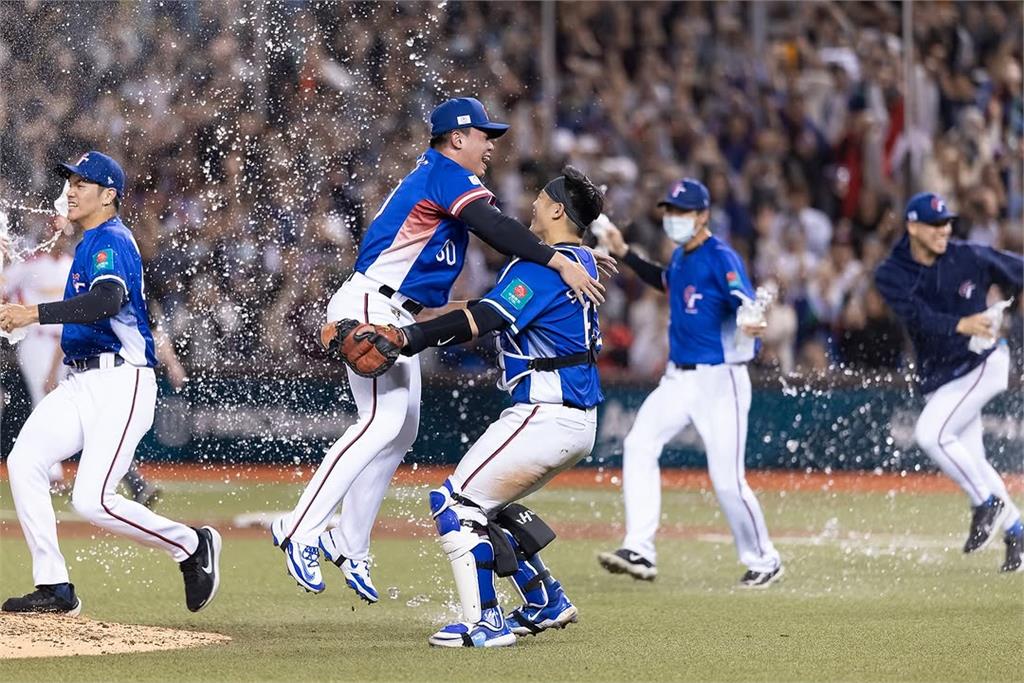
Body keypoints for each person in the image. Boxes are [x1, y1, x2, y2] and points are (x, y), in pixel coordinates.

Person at [270, 97, 610, 601]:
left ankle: (349, 542)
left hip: (398, 308)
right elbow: (497, 231)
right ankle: (299, 527)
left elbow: (460, 276)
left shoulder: (448, 180)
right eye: (483, 135)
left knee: (400, 432)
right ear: (456, 138)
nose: (490, 144)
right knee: (378, 423)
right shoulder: (447, 172)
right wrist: (556, 261)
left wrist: (556, 262)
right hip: (372, 302)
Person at [332, 166, 605, 647]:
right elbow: (495, 307)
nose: (534, 204)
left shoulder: (543, 264)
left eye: (542, 198)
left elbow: (486, 318)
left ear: (559, 210)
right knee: (489, 503)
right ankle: (546, 600)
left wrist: (409, 337)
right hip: (575, 417)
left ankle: (485, 622)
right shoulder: (582, 261)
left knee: (454, 502)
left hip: (545, 411)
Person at [0, 151, 221, 615]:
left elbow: (107, 299)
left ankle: (192, 545)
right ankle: (55, 586)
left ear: (108, 195)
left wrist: (33, 313)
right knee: (24, 461)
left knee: (92, 499)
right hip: (81, 383)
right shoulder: (87, 242)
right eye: (70, 182)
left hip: (123, 382)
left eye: (83, 183)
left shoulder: (110, 240)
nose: (72, 189)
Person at [595, 178, 784, 588]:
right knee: (639, 443)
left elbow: (746, 303)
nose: (674, 219)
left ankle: (765, 558)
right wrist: (625, 252)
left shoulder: (721, 256)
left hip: (721, 381)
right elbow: (664, 281)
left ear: (702, 215)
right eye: (671, 211)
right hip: (679, 378)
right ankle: (640, 548)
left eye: (682, 212)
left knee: (727, 481)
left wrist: (750, 319)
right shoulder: (682, 256)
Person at [875, 192, 1023, 572]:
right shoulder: (891, 273)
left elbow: (1018, 272)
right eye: (935, 224)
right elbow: (917, 315)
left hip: (983, 363)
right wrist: (961, 324)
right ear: (912, 227)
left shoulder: (968, 255)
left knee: (931, 434)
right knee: (972, 460)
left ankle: (985, 504)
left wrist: (1013, 309)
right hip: (942, 376)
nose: (944, 229)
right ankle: (1016, 530)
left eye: (947, 222)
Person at [2, 222, 166, 508]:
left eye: (65, 235)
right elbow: (5, 286)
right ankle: (56, 474)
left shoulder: (73, 263)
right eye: (55, 235)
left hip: (66, 341)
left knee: (86, 411)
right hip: (37, 339)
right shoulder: (31, 264)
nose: (59, 240)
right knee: (46, 398)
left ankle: (127, 479)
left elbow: (93, 304)